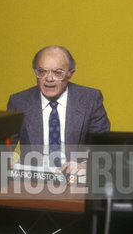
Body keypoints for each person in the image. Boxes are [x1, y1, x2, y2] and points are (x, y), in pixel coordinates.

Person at [7, 45, 110, 175]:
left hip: (73, 179)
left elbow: (103, 149)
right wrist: (5, 158)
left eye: (58, 72)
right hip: (32, 180)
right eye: (42, 71)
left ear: (70, 74)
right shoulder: (19, 101)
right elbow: (4, 145)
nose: (49, 78)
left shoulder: (90, 100)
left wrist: (85, 166)